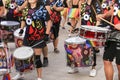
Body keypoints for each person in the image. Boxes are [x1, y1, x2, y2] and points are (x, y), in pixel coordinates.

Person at [12, 0, 52, 80]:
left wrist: (47, 34)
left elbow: (49, 21)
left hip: (38, 36)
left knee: (37, 58)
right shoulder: (26, 9)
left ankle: (39, 77)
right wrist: (22, 29)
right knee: (23, 56)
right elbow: (23, 20)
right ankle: (21, 73)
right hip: (28, 36)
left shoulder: (42, 9)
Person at [96, 0, 120, 80]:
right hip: (112, 33)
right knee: (107, 60)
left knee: (119, 64)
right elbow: (114, 10)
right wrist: (103, 15)